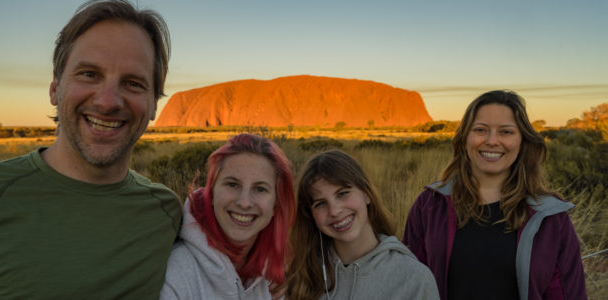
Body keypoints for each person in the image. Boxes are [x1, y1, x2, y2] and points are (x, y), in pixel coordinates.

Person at [0, 1, 182, 298]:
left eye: (133, 83)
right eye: (89, 74)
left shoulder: (166, 213)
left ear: (155, 103)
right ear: (55, 87)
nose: (108, 102)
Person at [403, 90, 587, 300]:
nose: (492, 141)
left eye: (506, 132)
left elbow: (568, 294)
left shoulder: (551, 218)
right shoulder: (430, 205)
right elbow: (409, 284)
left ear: (522, 141)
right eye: (480, 130)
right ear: (464, 138)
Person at [286, 149, 439, 300]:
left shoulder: (414, 279)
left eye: (342, 193)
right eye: (320, 203)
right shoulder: (301, 275)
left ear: (366, 194)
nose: (334, 211)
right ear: (310, 215)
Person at [160, 133, 296, 299]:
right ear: (211, 194)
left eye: (260, 189)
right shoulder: (177, 274)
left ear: (276, 204)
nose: (244, 202)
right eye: (232, 184)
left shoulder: (275, 275)